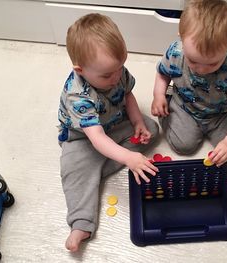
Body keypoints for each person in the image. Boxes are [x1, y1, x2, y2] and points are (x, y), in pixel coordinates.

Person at [58, 13, 159, 252]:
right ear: (80, 70)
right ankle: (81, 223)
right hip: (82, 136)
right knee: (74, 171)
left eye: (119, 68)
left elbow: (127, 95)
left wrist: (137, 122)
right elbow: (96, 138)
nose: (116, 78)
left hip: (113, 122)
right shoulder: (78, 96)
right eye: (107, 75)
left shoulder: (115, 71)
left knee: (152, 128)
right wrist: (128, 158)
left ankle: (96, 168)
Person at [151, 0, 227, 166]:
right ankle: (170, 100)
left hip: (219, 112)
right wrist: (158, 95)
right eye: (193, 61)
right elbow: (163, 73)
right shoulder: (175, 52)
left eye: (212, 64)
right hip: (184, 106)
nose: (201, 69)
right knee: (183, 146)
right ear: (181, 36)